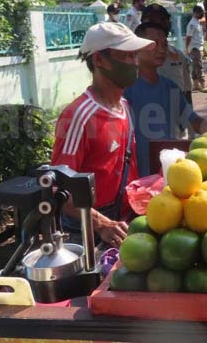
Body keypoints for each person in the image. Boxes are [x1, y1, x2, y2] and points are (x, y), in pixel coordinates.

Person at [51, 21, 155, 248]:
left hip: (122, 223)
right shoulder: (78, 116)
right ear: (99, 60)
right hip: (87, 232)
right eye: (125, 56)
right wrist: (101, 224)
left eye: (134, 56)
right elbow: (58, 189)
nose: (133, 63)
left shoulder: (124, 107)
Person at [125, 22, 207, 177]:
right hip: (136, 176)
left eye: (164, 44)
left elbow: (193, 121)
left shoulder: (170, 87)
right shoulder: (125, 90)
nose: (161, 49)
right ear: (137, 48)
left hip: (168, 174)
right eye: (154, 44)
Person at [140, 4, 193, 106]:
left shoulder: (178, 55)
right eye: (154, 20)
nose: (161, 24)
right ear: (144, 23)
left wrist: (189, 119)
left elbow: (186, 93)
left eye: (164, 19)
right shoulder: (132, 57)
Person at [186, 5, 207, 93]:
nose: (202, 14)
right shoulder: (192, 24)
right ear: (195, 13)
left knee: (195, 66)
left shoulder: (198, 22)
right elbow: (188, 37)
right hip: (195, 48)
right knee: (199, 66)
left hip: (198, 47)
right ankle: (203, 85)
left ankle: (195, 85)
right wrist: (187, 48)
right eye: (200, 13)